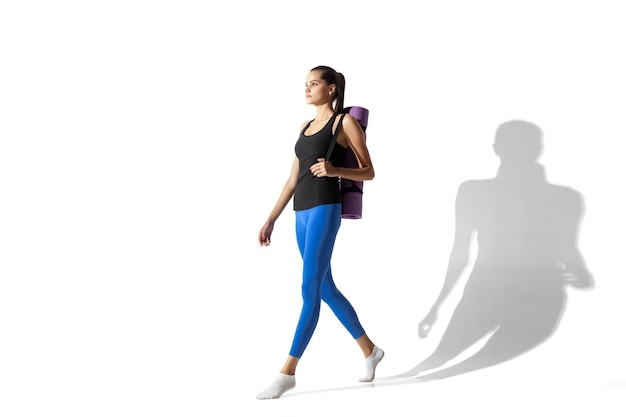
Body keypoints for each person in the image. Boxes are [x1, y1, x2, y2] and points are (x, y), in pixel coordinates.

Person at [398, 120, 593, 380]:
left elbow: (567, 252)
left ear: (497, 148)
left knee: (445, 368)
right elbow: (461, 253)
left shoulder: (562, 198)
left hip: (535, 301)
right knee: (435, 364)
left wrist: (437, 306)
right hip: (490, 295)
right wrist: (437, 306)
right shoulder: (476, 192)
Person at [255, 65, 384, 399]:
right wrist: (271, 219)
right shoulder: (304, 127)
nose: (307, 88)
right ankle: (370, 351)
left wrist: (335, 168)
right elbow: (291, 179)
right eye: (306, 84)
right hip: (301, 211)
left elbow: (369, 170)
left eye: (314, 83)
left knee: (308, 287)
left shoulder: (345, 123)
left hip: (327, 207)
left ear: (331, 89)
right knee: (325, 286)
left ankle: (287, 373)